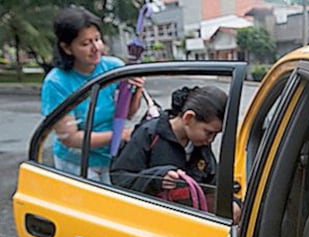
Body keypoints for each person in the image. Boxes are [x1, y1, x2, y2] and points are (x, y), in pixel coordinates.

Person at [41, 6, 144, 183]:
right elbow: (71, 138)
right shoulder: (56, 82)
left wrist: (137, 89)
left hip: (113, 157)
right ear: (67, 48)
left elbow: (127, 114)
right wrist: (119, 135)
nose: (95, 48)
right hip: (77, 163)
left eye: (97, 39)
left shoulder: (113, 67)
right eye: (85, 43)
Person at [110, 86, 241, 224]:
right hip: (149, 222)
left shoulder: (200, 145)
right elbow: (119, 178)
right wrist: (157, 177)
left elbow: (213, 183)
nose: (211, 140)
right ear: (188, 118)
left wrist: (232, 202)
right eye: (209, 132)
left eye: (216, 134)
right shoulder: (149, 134)